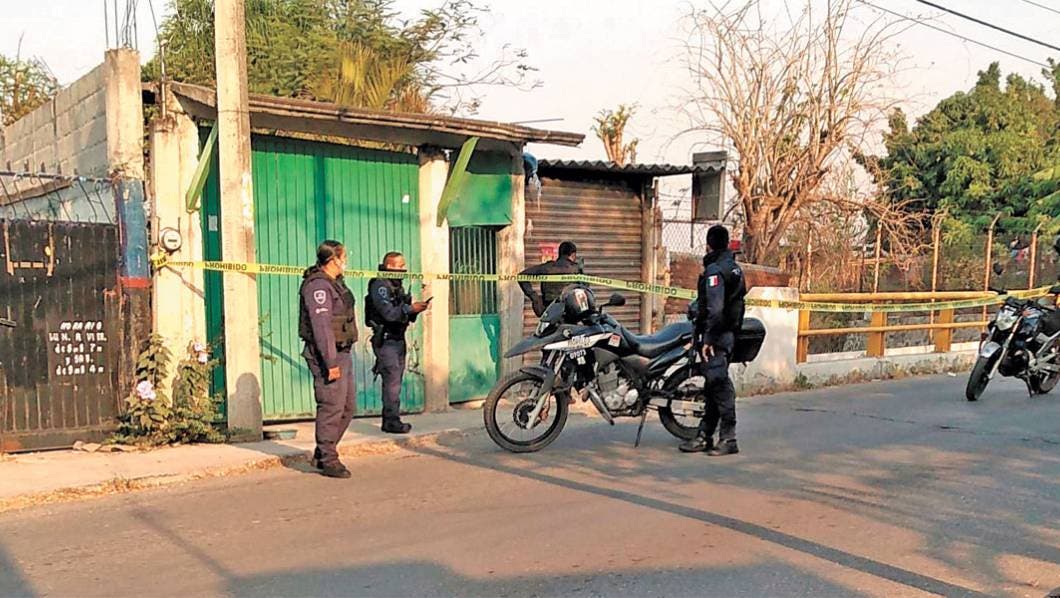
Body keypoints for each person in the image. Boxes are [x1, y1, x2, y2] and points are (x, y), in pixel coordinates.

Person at [680, 224, 747, 456]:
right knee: (712, 386)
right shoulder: (734, 268)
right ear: (727, 244)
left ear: (708, 244)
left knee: (719, 384)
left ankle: (729, 438)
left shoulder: (715, 271)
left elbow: (716, 309)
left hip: (717, 337)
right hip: (727, 334)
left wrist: (708, 338)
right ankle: (705, 435)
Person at [299, 240, 359, 479]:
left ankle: (323, 450)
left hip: (342, 352)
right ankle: (328, 459)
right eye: (344, 256)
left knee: (347, 407)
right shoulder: (318, 287)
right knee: (332, 407)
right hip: (327, 354)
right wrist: (330, 363)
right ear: (333, 260)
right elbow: (322, 328)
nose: (346, 261)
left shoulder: (336, 284)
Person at [366, 252, 430, 434]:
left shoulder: (397, 285)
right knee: (392, 382)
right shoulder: (380, 285)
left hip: (398, 339)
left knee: (395, 381)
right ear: (388, 266)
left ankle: (391, 418)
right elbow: (389, 313)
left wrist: (415, 309)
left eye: (404, 265)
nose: (403, 269)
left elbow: (403, 314)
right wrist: (410, 308)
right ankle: (391, 422)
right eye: (399, 266)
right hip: (386, 340)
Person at [518, 240, 583, 316]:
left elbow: (522, 276)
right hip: (570, 311)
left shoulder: (547, 267)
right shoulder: (576, 269)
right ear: (573, 255)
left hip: (549, 309)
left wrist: (534, 296)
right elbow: (585, 288)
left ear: (559, 254)